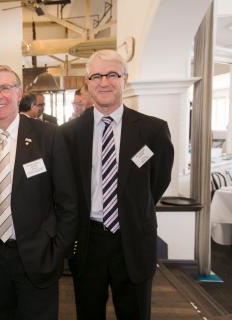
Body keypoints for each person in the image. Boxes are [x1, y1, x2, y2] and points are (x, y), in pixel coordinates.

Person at [61, 50, 174, 320]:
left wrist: (131, 207)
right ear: (87, 82)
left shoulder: (153, 130)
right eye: (96, 76)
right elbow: (66, 189)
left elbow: (158, 181)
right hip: (88, 241)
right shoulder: (68, 134)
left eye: (112, 74)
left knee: (135, 313)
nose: (104, 82)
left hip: (134, 239)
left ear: (125, 79)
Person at [0, 65, 77, 319]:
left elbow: (68, 202)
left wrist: (57, 251)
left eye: (5, 88)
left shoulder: (48, 136)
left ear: (19, 93)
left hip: (38, 257)